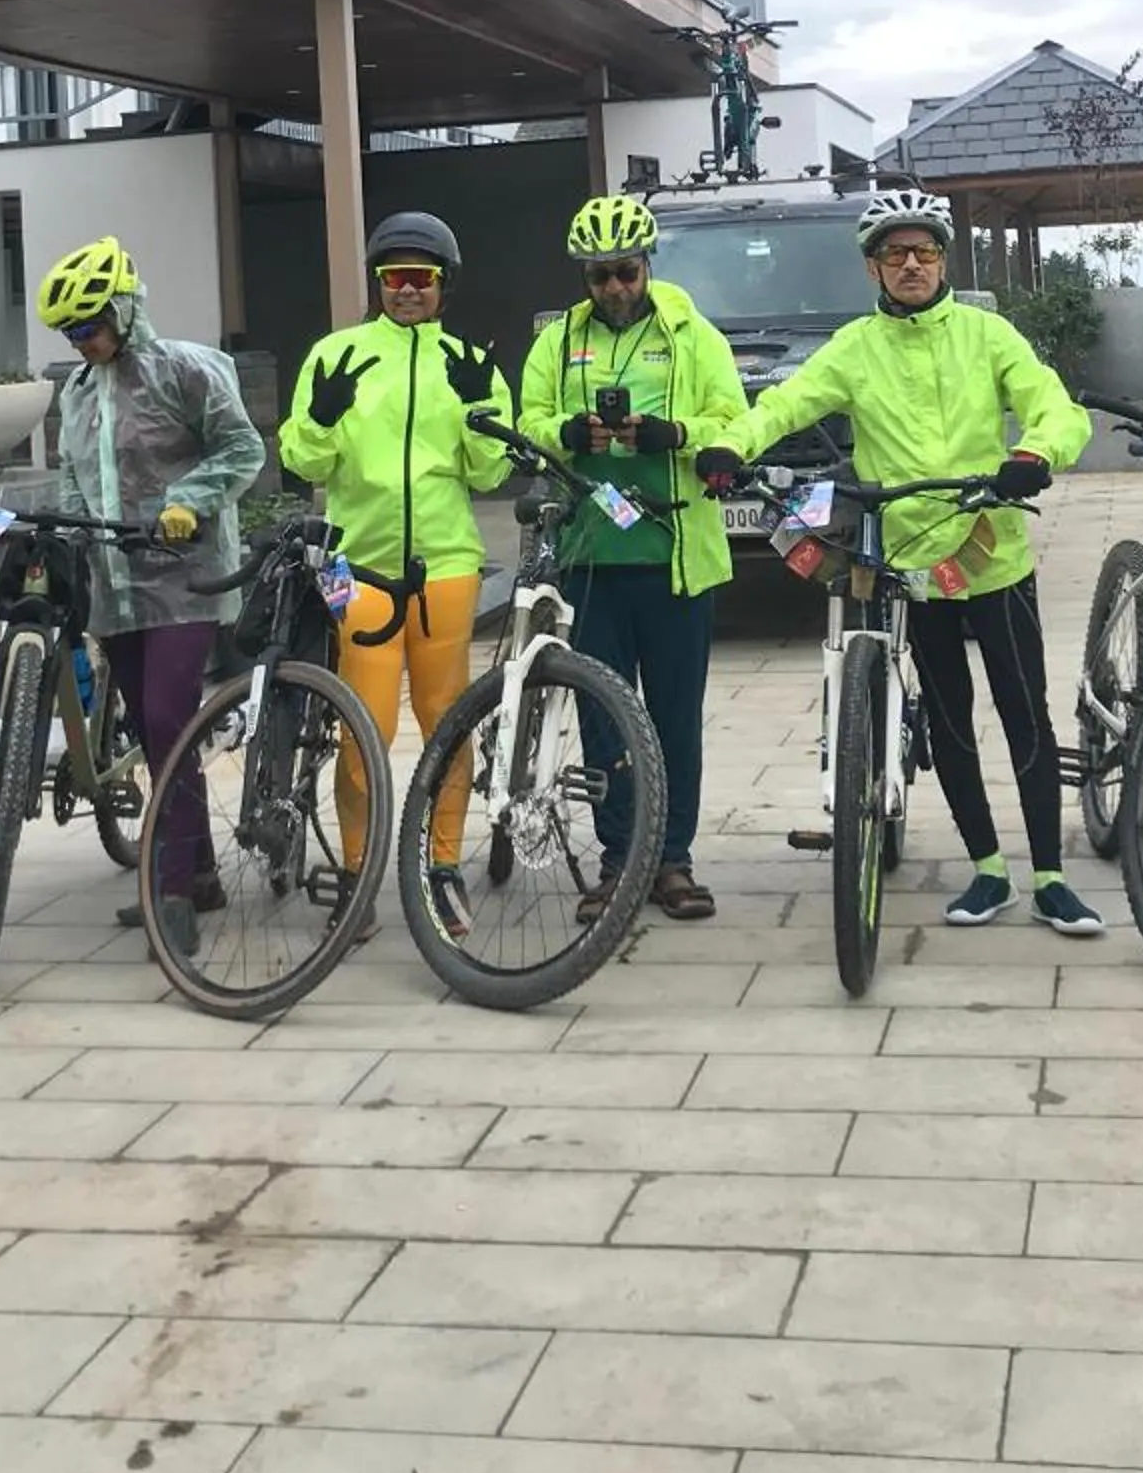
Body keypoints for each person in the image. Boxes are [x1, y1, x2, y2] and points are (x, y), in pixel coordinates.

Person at [701, 185, 1102, 936]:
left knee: (1026, 716)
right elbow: (785, 403)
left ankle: (1050, 876)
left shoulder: (988, 334)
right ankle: (988, 870)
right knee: (949, 720)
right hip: (912, 566)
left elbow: (1053, 406)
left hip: (993, 556)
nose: (911, 265)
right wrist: (731, 443)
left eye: (924, 251)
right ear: (873, 268)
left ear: (944, 260)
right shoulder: (853, 347)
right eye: (895, 254)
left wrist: (1035, 452)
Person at [278, 213, 513, 937]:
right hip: (356, 570)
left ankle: (443, 867)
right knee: (363, 729)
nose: (407, 290)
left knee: (447, 721)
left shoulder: (469, 362)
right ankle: (357, 876)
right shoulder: (336, 355)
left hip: (445, 567)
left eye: (422, 278)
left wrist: (477, 409)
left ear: (445, 285)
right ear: (377, 283)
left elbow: (491, 472)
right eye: (394, 278)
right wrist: (320, 419)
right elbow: (301, 460)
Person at [518, 193, 749, 923]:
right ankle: (620, 860)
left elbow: (735, 418)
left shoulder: (692, 334)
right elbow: (528, 420)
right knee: (603, 719)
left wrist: (673, 433)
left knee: (674, 719)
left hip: (674, 554)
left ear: (647, 265)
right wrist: (568, 432)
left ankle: (672, 860)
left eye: (625, 272)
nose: (614, 288)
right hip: (592, 555)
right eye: (599, 276)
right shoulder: (558, 341)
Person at [37, 235, 266, 949]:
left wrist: (189, 500)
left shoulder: (187, 369)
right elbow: (73, 477)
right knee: (156, 729)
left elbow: (243, 449)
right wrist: (67, 537)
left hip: (184, 576)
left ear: (125, 309)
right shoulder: (77, 393)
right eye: (71, 333)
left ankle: (167, 890)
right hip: (116, 584)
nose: (83, 342)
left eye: (91, 325)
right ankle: (199, 872)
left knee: (169, 718)